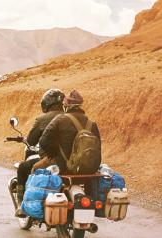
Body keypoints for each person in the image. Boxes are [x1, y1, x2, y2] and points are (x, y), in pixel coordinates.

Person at [14, 88, 65, 218]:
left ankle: (22, 205)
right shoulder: (69, 116)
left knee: (22, 168)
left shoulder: (43, 118)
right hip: (70, 160)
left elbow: (31, 140)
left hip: (51, 159)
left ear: (47, 104)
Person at [36, 90, 101, 174]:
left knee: (34, 168)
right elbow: (98, 147)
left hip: (63, 168)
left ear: (66, 105)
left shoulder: (60, 120)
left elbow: (43, 141)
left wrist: (55, 155)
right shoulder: (92, 124)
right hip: (89, 169)